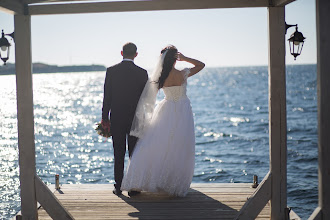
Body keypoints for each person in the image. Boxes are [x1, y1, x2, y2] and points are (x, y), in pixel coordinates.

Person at [121, 45, 205, 197]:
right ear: (175, 59)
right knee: (179, 146)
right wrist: (185, 58)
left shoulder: (159, 77)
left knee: (156, 143)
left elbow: (148, 99)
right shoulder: (183, 73)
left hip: (166, 109)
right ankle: (171, 182)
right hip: (183, 110)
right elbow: (201, 65)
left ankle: (143, 180)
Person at [102, 42, 148, 196]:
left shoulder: (111, 71)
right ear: (136, 54)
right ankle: (134, 188)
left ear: (122, 53)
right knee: (134, 153)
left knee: (118, 152)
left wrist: (105, 118)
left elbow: (107, 97)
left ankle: (119, 186)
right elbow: (146, 99)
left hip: (117, 118)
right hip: (136, 119)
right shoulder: (142, 73)